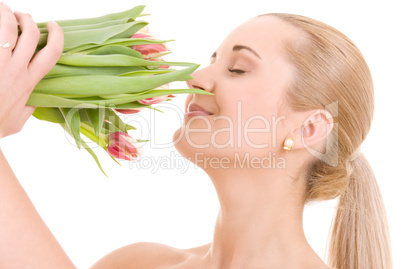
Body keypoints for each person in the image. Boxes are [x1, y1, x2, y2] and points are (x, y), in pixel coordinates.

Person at [0, 2, 392, 269]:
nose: (196, 78)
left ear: (308, 128)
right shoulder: (139, 262)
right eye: (213, 61)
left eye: (237, 69)